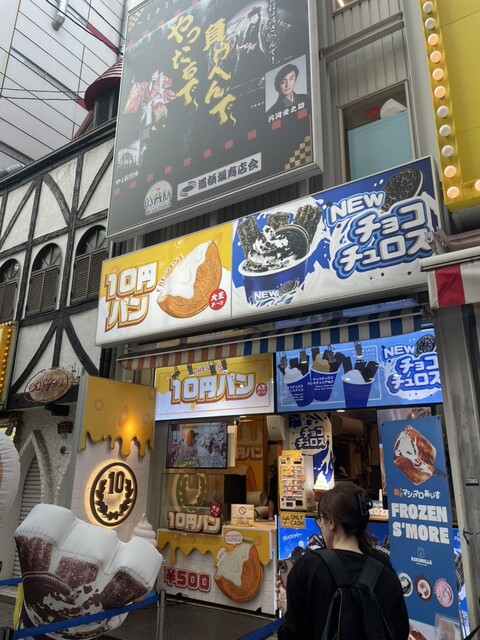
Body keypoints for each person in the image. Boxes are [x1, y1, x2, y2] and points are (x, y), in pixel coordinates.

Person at [276, 482, 409, 640]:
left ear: (331, 523)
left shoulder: (307, 567)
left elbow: (292, 634)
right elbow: (400, 630)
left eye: (320, 520)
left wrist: (288, 609)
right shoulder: (384, 569)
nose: (320, 526)